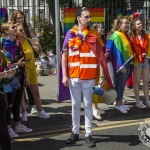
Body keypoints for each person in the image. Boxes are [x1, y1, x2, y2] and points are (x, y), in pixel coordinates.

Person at [61, 7, 113, 147]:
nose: (89, 19)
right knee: (75, 105)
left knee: (88, 105)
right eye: (86, 17)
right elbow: (64, 56)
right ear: (78, 18)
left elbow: (101, 57)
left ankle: (89, 134)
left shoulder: (93, 34)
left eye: (89, 17)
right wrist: (64, 75)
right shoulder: (69, 34)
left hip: (89, 77)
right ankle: (75, 132)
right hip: (74, 77)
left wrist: (102, 77)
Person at [11, 10, 49, 119]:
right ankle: (24, 113)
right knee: (20, 94)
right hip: (21, 69)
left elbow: (38, 50)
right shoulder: (14, 40)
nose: (21, 20)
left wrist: (38, 46)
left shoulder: (28, 37)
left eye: (22, 17)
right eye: (18, 18)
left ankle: (40, 109)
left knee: (35, 92)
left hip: (31, 68)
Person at [2, 23, 33, 138]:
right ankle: (8, 127)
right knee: (9, 104)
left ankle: (18, 124)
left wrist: (26, 77)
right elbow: (4, 63)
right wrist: (16, 64)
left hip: (19, 76)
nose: (16, 29)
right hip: (9, 78)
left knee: (17, 101)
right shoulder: (4, 45)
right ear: (6, 32)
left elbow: (23, 61)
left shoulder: (17, 43)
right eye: (13, 28)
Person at [106, 16, 134, 114]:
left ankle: (120, 102)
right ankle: (117, 104)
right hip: (120, 65)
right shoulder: (117, 35)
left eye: (128, 23)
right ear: (119, 25)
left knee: (122, 85)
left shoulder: (124, 34)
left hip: (125, 63)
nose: (127, 25)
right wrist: (120, 66)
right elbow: (116, 52)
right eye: (124, 23)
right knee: (119, 84)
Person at [130, 19, 150, 108]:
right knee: (137, 82)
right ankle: (138, 101)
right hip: (137, 61)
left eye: (141, 23)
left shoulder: (145, 36)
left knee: (146, 81)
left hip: (145, 60)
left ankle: (147, 100)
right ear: (134, 26)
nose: (140, 25)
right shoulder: (132, 37)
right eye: (138, 24)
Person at [92, 23, 105, 120]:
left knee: (98, 86)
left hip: (99, 66)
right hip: (94, 67)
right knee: (95, 87)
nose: (103, 29)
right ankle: (94, 108)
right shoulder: (95, 40)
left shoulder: (100, 39)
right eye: (100, 28)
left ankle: (95, 106)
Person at [0, 46, 11, 150]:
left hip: (1, 98)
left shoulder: (2, 56)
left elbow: (5, 81)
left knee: (3, 130)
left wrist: (8, 76)